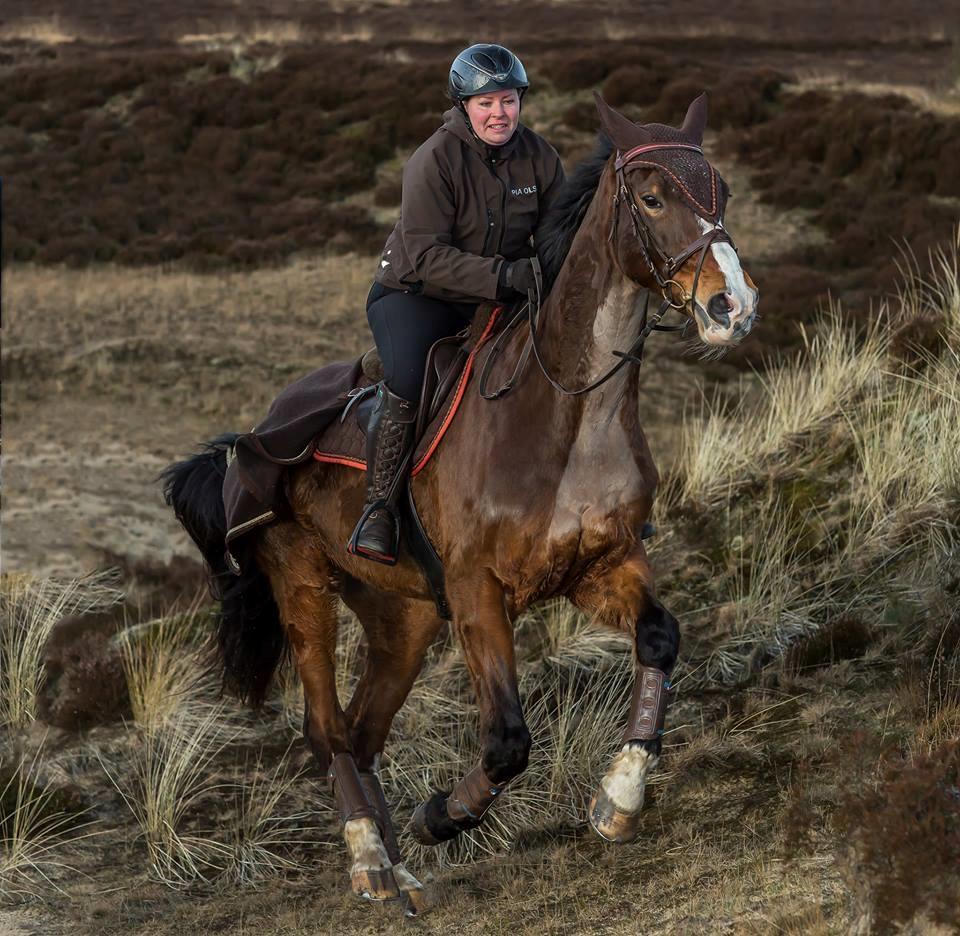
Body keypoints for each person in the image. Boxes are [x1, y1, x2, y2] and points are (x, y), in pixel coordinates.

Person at [347, 42, 566, 565]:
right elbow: (424, 257)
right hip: (416, 295)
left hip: (499, 296)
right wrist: (507, 275)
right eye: (486, 102)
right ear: (464, 104)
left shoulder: (541, 157)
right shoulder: (432, 160)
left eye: (508, 100)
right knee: (407, 378)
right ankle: (379, 508)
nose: (499, 113)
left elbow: (561, 235)